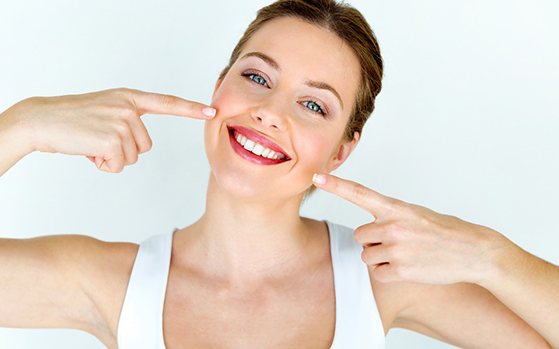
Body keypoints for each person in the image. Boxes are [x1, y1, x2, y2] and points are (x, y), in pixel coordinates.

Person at [0, 0, 557, 348]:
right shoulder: (113, 284)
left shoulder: (381, 279)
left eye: (315, 106)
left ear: (341, 151)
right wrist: (20, 126)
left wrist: (492, 257)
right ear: (219, 87)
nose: (270, 112)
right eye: (257, 78)